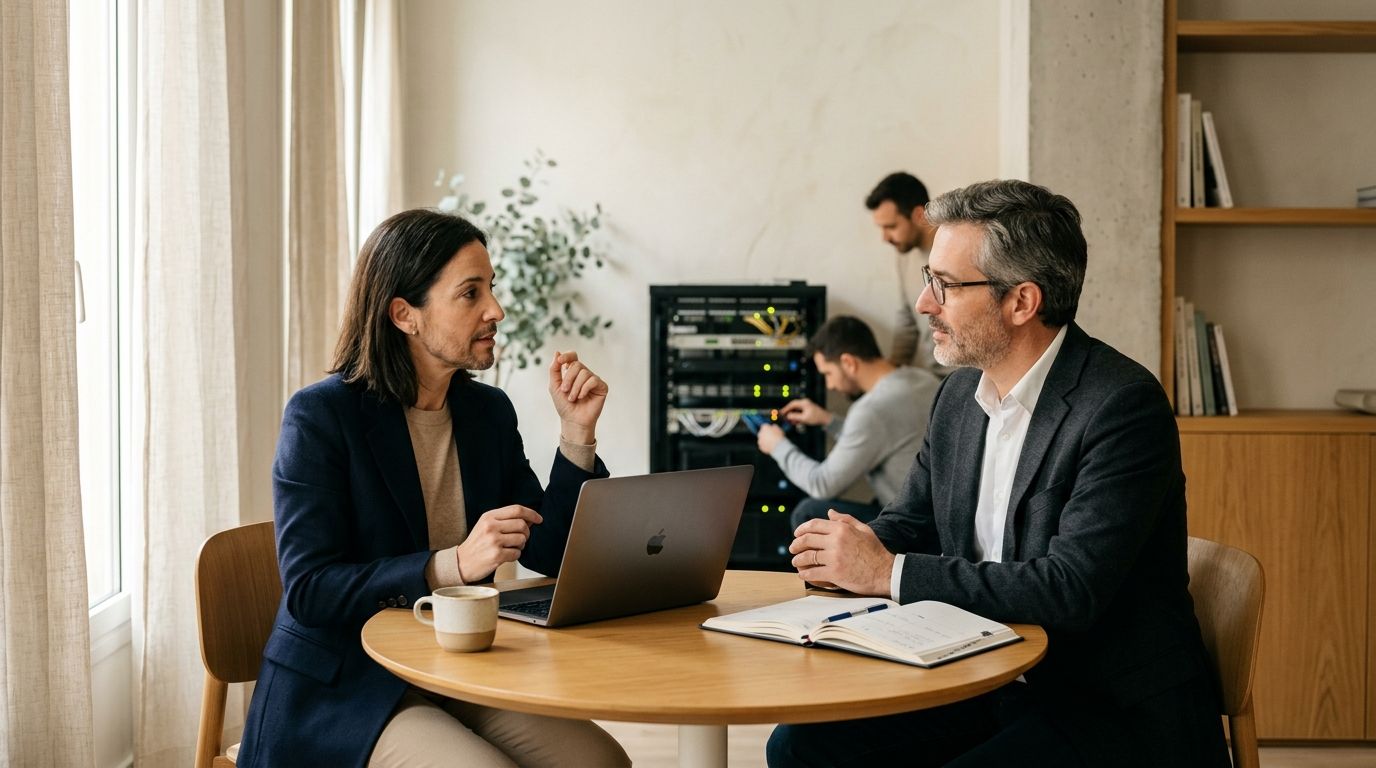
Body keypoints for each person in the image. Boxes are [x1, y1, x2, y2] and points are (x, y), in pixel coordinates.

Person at [769, 180, 1229, 767]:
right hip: (987, 674)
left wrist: (888, 573)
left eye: (946, 285)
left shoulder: (1121, 406)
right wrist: (844, 555)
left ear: (1021, 302)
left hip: (1104, 703)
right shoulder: (960, 394)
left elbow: (1070, 590)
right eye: (927, 279)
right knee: (799, 746)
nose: (924, 304)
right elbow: (913, 522)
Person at [237, 209, 630, 768]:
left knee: (599, 764)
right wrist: (452, 564)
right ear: (405, 315)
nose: (496, 310)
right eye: (470, 293)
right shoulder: (321, 417)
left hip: (462, 664)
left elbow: (550, 551)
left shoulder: (487, 413)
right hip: (348, 685)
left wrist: (576, 435)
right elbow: (311, 589)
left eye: (490, 289)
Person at [755, 315, 939, 531]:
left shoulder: (871, 410)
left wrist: (777, 446)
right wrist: (828, 420)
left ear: (848, 363)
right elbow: (881, 438)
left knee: (808, 512)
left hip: (915, 530)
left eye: (828, 374)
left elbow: (821, 484)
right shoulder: (922, 380)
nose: (830, 385)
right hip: (936, 517)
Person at [865, 171, 952, 377]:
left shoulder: (954, 250)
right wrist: (890, 375)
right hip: (931, 377)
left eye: (891, 227)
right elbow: (907, 321)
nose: (885, 238)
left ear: (919, 215)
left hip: (964, 377)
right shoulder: (904, 256)